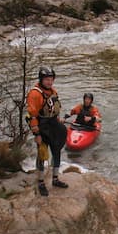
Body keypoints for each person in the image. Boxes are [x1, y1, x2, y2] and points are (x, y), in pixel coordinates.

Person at [26, 66, 69, 196]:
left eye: (51, 79)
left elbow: (54, 109)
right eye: (47, 79)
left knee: (56, 151)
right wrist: (36, 134)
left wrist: (58, 119)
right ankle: (40, 182)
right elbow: (31, 116)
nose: (49, 82)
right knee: (42, 154)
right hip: (42, 127)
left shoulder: (53, 91)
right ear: (41, 79)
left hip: (53, 125)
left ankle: (55, 178)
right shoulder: (35, 94)